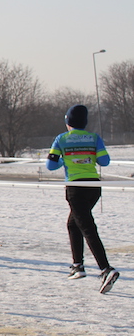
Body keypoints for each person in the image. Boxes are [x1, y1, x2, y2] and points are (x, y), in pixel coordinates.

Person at [46, 104, 119, 294]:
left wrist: (66, 159)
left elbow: (50, 165)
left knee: (87, 227)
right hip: (93, 187)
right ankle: (78, 266)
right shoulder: (94, 138)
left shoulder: (61, 139)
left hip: (75, 188)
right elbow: (104, 161)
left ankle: (106, 269)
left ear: (68, 122)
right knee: (73, 224)